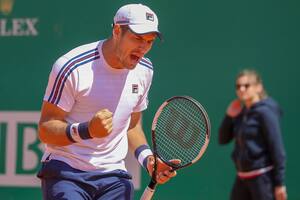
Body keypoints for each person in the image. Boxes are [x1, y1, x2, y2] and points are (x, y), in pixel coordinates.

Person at [37, 4, 177, 200]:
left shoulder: (145, 70)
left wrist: (149, 160)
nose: (143, 47)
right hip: (67, 170)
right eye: (137, 38)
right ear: (117, 31)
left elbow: (131, 125)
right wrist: (87, 130)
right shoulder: (72, 66)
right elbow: (46, 129)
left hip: (114, 176)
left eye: (149, 41)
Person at [219, 69, 287, 200]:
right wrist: (228, 116)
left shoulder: (265, 112)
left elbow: (277, 149)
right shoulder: (241, 112)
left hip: (263, 179)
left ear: (258, 87)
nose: (242, 89)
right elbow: (223, 139)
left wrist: (279, 184)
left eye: (246, 85)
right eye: (238, 86)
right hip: (242, 178)